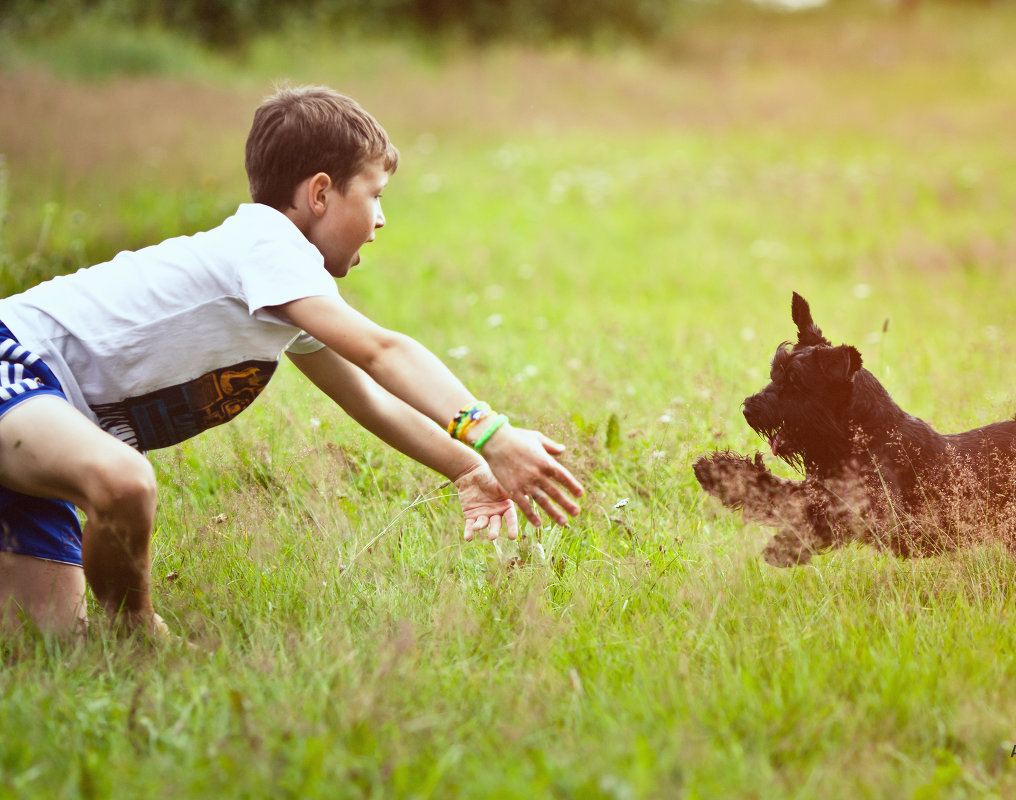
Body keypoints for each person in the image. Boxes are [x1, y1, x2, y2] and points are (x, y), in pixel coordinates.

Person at [0, 85, 584, 639]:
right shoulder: (268, 245)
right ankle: (138, 638)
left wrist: (465, 469)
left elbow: (368, 394)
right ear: (321, 193)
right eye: (375, 195)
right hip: (14, 361)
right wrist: (491, 434)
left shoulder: (283, 291)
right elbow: (382, 351)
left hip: (51, 420)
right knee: (123, 482)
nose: (381, 220)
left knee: (53, 643)